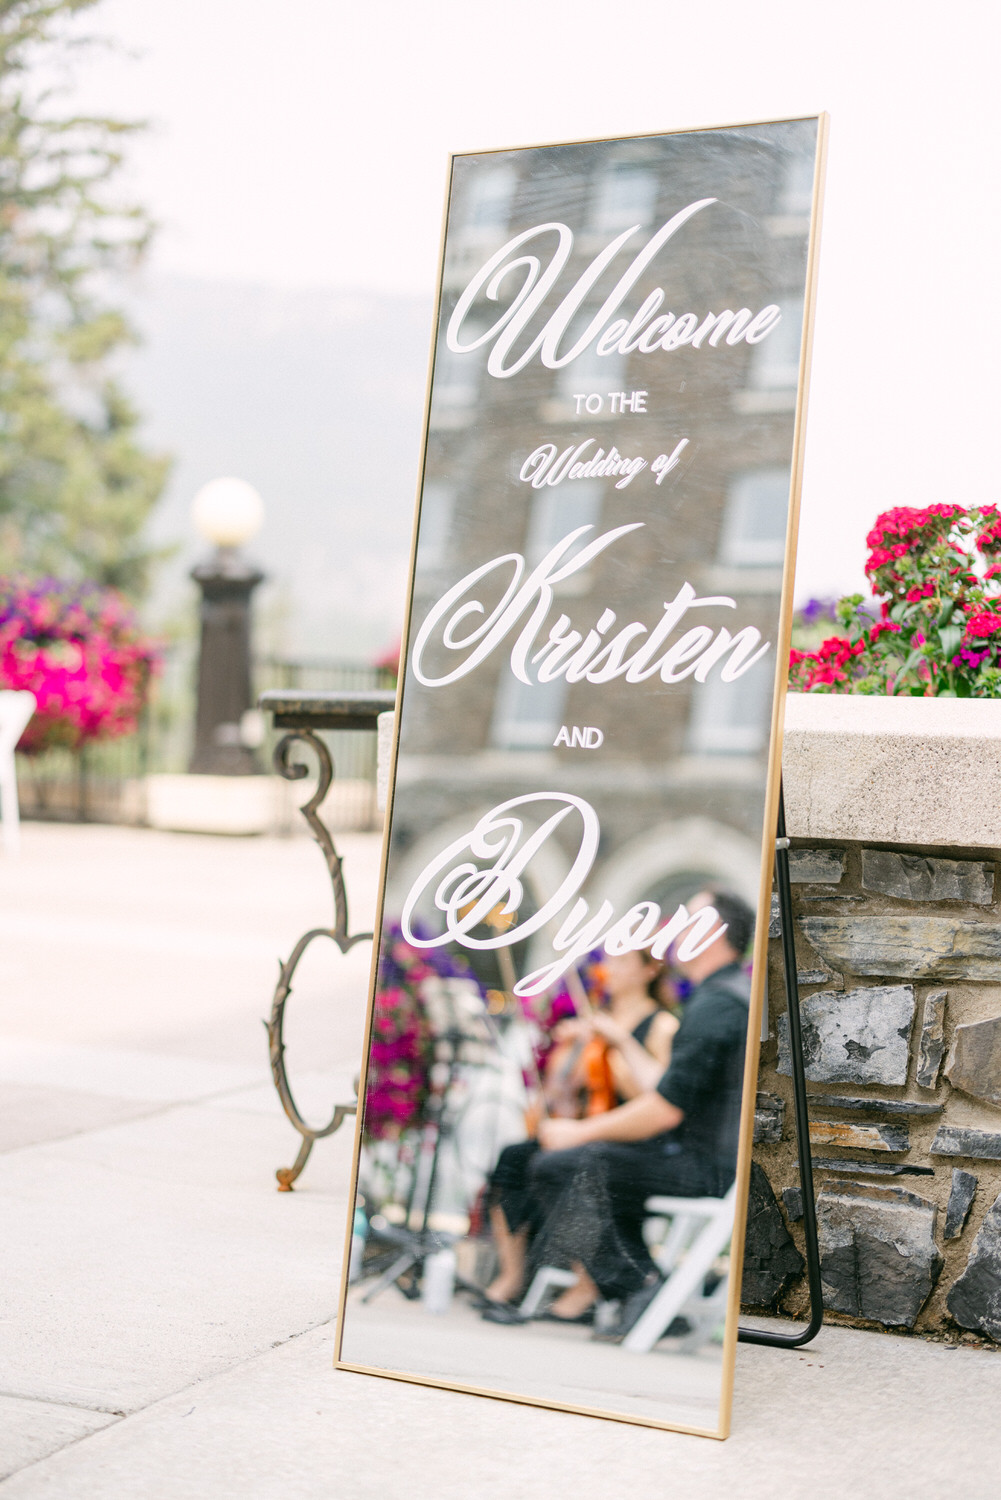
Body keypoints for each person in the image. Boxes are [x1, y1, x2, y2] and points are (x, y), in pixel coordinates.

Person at [509, 887, 754, 1330]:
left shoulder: (717, 1005)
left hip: (703, 1165)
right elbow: (667, 1088)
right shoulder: (721, 997)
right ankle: (647, 1294)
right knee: (591, 1169)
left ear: (712, 932)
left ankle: (642, 1288)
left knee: (559, 1166)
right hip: (700, 1157)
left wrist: (580, 1132)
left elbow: (664, 1111)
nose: (673, 930)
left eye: (688, 920)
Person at [481, 948, 677, 1314]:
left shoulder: (661, 1024)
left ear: (650, 970)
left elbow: (659, 1096)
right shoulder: (595, 1018)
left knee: (560, 1165)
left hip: (630, 1137)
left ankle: (589, 1281)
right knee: (515, 1157)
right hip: (586, 1125)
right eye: (609, 961)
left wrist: (616, 1044)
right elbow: (561, 1090)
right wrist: (569, 1050)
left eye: (622, 961)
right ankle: (512, 1276)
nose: (609, 969)